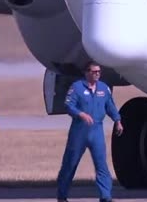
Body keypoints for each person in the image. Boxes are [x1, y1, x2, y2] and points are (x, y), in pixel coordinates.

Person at [57, 61, 123, 202]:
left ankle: (105, 196)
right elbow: (69, 105)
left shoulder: (103, 89)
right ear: (86, 72)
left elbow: (110, 106)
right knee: (70, 164)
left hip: (96, 130)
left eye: (99, 71)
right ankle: (62, 195)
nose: (97, 74)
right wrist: (80, 114)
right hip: (79, 131)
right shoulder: (77, 88)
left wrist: (117, 120)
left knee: (101, 165)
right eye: (94, 72)